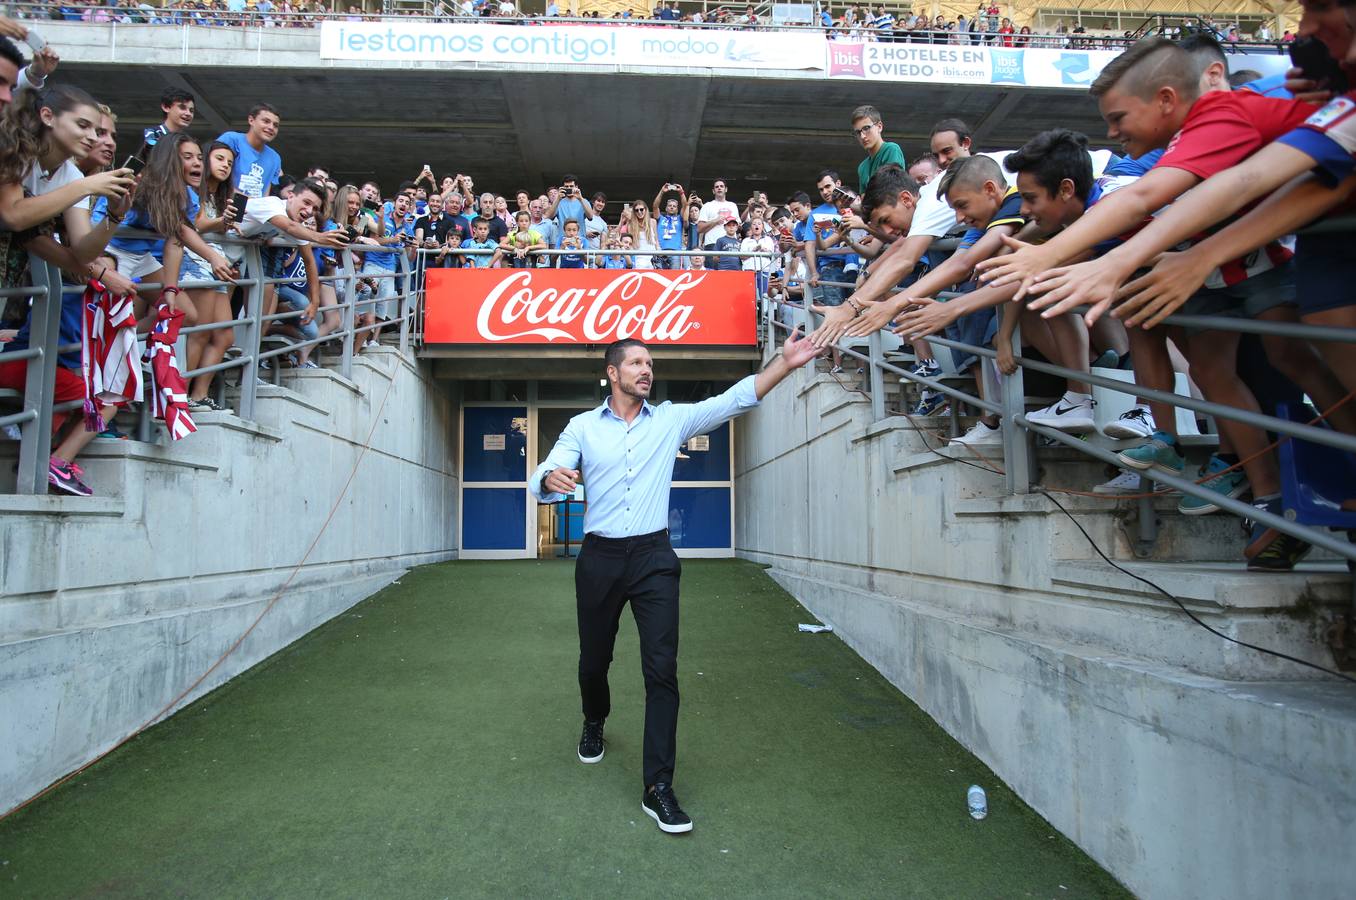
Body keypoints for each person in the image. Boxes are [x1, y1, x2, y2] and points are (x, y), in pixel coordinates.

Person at [529, 329, 824, 834]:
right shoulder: (582, 427)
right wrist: (548, 482)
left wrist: (786, 364)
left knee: (662, 670)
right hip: (598, 557)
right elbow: (547, 474)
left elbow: (734, 399)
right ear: (612, 373)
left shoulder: (670, 420)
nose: (647, 369)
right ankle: (595, 718)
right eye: (637, 363)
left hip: (653, 558)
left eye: (651, 363)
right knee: (593, 660)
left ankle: (657, 786)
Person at [217, 103, 282, 199]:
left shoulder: (275, 158)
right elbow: (213, 176)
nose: (271, 127)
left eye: (275, 125)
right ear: (251, 120)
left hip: (254, 211)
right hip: (223, 203)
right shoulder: (231, 140)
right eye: (266, 121)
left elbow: (265, 192)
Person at [142, 86, 195, 151]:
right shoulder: (152, 134)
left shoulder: (189, 141)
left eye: (191, 110)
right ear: (166, 107)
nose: (188, 113)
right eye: (182, 107)